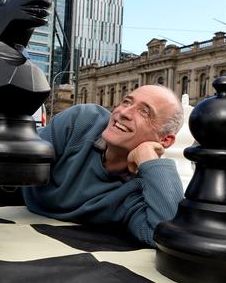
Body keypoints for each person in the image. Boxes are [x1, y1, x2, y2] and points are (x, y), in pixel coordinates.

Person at [23, 85, 185, 247]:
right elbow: (16, 162)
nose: (123, 113)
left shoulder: (143, 191)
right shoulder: (81, 120)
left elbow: (168, 236)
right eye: (127, 102)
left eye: (144, 112)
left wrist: (149, 160)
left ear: (164, 140)